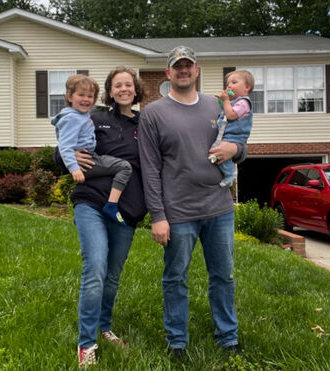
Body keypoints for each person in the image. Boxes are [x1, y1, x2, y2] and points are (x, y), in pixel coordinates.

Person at [139, 46, 244, 360]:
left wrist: (235, 152)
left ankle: (229, 338)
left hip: (219, 208)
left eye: (189, 65)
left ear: (197, 70)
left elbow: (241, 142)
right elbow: (149, 167)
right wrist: (158, 215)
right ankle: (177, 343)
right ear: (168, 73)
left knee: (223, 276)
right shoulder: (153, 113)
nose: (183, 70)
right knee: (175, 278)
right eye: (177, 66)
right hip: (178, 212)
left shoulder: (216, 105)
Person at [62, 66, 148, 367]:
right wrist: (71, 159)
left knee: (112, 275)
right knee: (96, 267)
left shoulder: (146, 124)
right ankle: (86, 343)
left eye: (128, 84)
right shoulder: (94, 118)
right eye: (117, 85)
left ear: (135, 89)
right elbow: (61, 146)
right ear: (109, 92)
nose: (124, 89)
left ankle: (104, 326)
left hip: (129, 209)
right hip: (92, 202)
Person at [52, 74, 132, 225]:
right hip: (89, 163)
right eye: (81, 95)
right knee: (124, 167)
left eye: (90, 96)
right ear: (69, 97)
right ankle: (112, 205)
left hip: (129, 204)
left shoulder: (83, 116)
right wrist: (74, 166)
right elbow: (64, 146)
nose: (86, 99)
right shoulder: (73, 118)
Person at [211, 70, 254, 187]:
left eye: (234, 82)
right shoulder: (236, 102)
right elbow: (226, 110)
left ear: (247, 87)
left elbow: (231, 115)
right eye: (228, 83)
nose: (229, 85)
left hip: (234, 136)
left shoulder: (244, 102)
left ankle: (230, 174)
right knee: (215, 150)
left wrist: (225, 101)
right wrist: (221, 101)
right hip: (229, 135)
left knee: (217, 150)